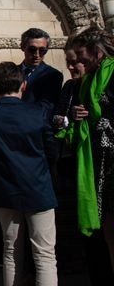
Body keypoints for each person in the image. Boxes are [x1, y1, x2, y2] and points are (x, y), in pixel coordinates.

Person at [0, 62, 58, 286]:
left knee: (11, 251)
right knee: (44, 254)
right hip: (38, 187)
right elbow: (51, 150)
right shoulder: (37, 113)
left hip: (5, 188)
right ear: (23, 85)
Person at [67, 27, 114, 275]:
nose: (80, 62)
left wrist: (103, 120)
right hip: (98, 163)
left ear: (98, 51)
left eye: (83, 56)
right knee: (107, 230)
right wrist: (76, 116)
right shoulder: (86, 82)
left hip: (111, 160)